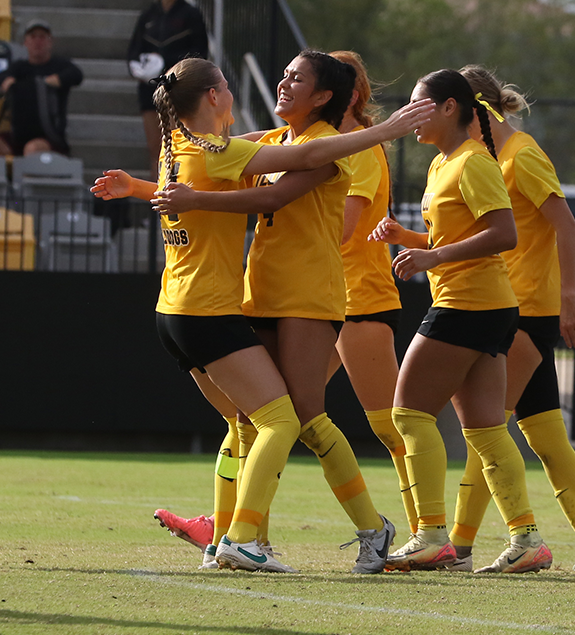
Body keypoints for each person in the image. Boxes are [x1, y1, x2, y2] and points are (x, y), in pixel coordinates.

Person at [102, 56, 432, 572]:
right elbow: (209, 171)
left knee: (300, 417)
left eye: (296, 77)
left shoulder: (328, 148)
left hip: (306, 295)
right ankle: (242, 536)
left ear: (324, 96)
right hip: (256, 294)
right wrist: (149, 189)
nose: (282, 81)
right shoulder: (270, 142)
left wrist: (382, 131)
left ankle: (350, 530)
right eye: (286, 74)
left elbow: (272, 191)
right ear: (212, 97)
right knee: (259, 420)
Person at [368, 68, 546, 573]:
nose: (410, 114)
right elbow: (460, 235)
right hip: (483, 305)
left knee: (408, 415)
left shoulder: (472, 161)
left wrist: (436, 260)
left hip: (469, 303)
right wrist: (412, 240)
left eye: (419, 104)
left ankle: (430, 536)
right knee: (487, 430)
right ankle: (527, 541)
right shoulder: (443, 163)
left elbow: (503, 234)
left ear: (450, 107)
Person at [446, 65, 575, 575]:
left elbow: (566, 224)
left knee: (484, 427)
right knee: (544, 437)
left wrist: (570, 298)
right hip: (509, 309)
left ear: (474, 107)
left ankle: (459, 547)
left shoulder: (522, 153)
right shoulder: (488, 157)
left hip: (526, 313)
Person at [324, 50, 415, 537]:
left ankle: (429, 532)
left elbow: (343, 230)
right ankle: (236, 528)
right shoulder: (322, 143)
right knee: (271, 416)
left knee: (391, 427)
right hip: (323, 298)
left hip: (360, 298)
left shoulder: (359, 146)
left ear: (348, 94)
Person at [126, 0, 208, 181]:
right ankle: (158, 201)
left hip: (177, 88)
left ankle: (178, 193)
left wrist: (166, 63)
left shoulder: (191, 14)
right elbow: (133, 51)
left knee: (175, 144)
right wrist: (138, 67)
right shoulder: (148, 15)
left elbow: (200, 53)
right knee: (155, 147)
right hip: (150, 89)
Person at [0, 19, 83, 157]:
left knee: (32, 149)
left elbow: (77, 75)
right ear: (25, 43)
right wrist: (6, 82)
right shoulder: (19, 67)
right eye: (33, 37)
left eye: (42, 37)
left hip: (48, 137)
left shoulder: (60, 65)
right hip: (18, 135)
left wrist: (57, 80)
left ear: (50, 42)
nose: (37, 41)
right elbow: (1, 77)